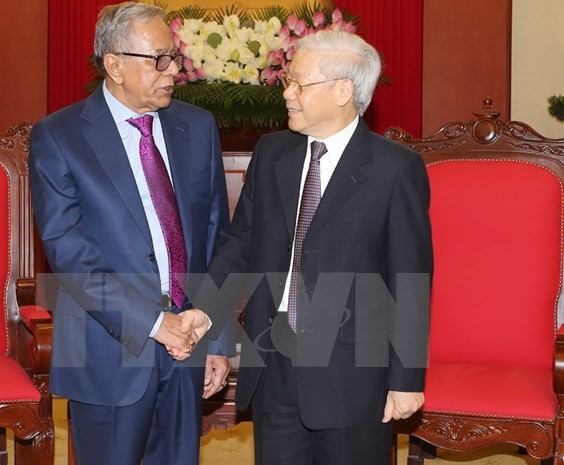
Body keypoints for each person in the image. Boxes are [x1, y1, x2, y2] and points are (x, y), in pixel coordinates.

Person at [199, 30, 433, 465]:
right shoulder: (272, 153)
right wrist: (204, 311)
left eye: (298, 84)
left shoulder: (395, 169)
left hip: (354, 374)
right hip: (273, 362)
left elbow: (410, 281)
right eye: (288, 81)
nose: (287, 93)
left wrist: (406, 380)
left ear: (343, 91)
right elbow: (240, 242)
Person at [28, 3, 234, 465]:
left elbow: (217, 236)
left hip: (189, 345)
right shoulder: (59, 137)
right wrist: (155, 324)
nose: (173, 71)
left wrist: (217, 336)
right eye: (158, 60)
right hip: (108, 348)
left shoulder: (196, 127)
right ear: (114, 65)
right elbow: (70, 253)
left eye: (174, 58)